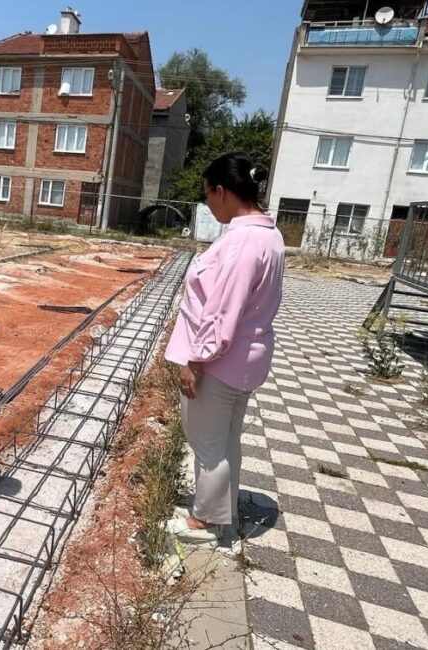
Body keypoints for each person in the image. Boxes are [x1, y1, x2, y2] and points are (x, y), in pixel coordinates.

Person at [165, 152, 285, 544]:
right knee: (227, 437)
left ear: (221, 191)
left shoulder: (242, 242)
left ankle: (208, 522)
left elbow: (221, 312)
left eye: (206, 196)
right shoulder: (269, 235)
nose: (208, 204)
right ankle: (224, 509)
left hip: (220, 361)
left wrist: (195, 362)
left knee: (207, 443)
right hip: (247, 358)